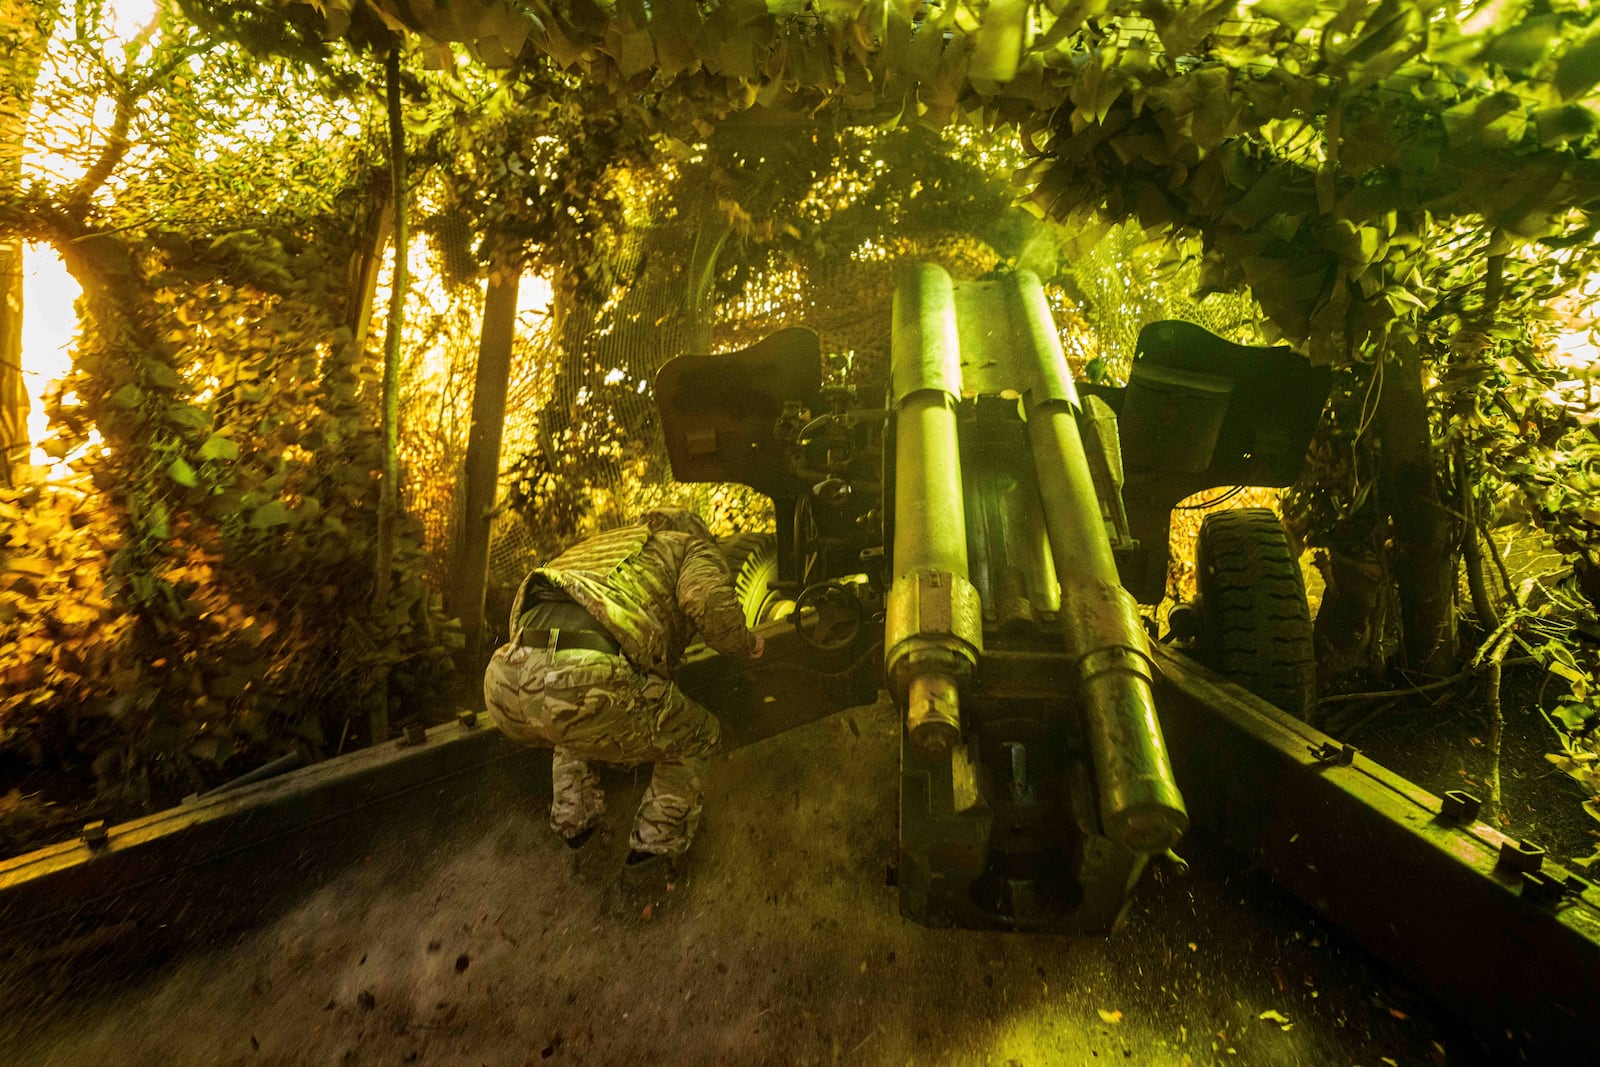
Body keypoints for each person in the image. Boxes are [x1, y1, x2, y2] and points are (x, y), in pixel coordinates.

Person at [483, 507, 764, 881]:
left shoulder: (600, 547)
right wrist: (747, 644)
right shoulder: (688, 546)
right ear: (692, 531)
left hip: (505, 679)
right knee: (697, 735)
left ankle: (575, 819)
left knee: (568, 718)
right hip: (585, 674)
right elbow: (706, 601)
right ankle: (652, 851)